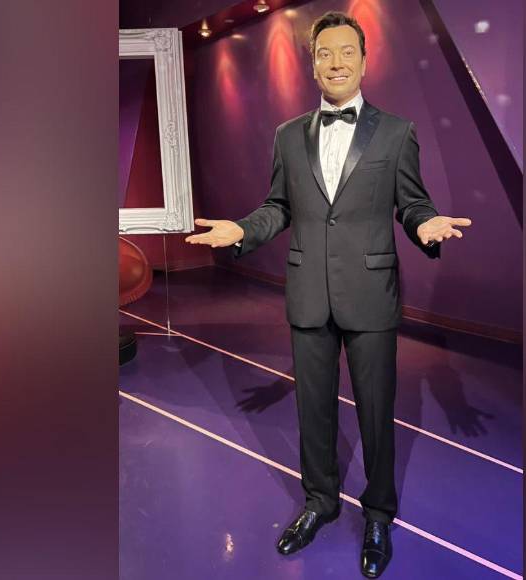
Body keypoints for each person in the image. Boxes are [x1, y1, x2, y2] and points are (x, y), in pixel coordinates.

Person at [186, 11, 472, 578]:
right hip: (308, 295)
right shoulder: (287, 135)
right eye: (324, 53)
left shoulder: (397, 132)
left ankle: (379, 514)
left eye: (346, 52)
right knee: (312, 410)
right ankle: (319, 501)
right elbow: (278, 207)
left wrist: (424, 224)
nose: (335, 62)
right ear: (312, 65)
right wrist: (242, 230)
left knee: (376, 414)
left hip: (371, 294)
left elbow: (412, 202)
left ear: (364, 62)